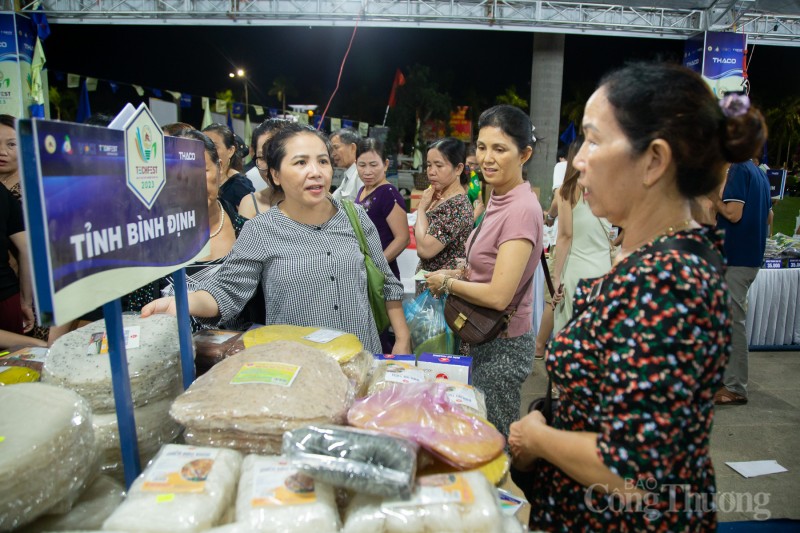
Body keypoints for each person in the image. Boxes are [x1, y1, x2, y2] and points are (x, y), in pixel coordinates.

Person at [508, 62, 767, 531]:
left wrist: (538, 438)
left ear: (653, 161)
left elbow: (635, 474)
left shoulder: (671, 282)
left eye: (594, 139)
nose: (580, 159)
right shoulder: (645, 258)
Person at [142, 123, 411, 355]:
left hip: (361, 357)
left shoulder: (356, 218)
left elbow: (387, 283)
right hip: (297, 367)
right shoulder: (260, 230)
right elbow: (227, 290)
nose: (316, 171)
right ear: (275, 175)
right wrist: (182, 303)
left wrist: (401, 338)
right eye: (301, 162)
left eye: (323, 161)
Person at [426, 106, 542, 439]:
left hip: (501, 346)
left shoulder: (519, 208)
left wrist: (447, 282)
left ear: (525, 154)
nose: (486, 158)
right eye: (481, 147)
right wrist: (463, 270)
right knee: (475, 430)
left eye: (500, 149)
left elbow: (499, 294)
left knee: (492, 438)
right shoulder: (499, 196)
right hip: (481, 333)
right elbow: (491, 264)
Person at [153, 129, 261, 331]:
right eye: (175, 173)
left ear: (219, 168)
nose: (188, 183)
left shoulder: (248, 231)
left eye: (199, 169)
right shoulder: (150, 240)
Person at [710, 149, 773, 406]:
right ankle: (727, 379)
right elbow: (769, 216)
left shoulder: (738, 170)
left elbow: (733, 214)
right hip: (749, 257)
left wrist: (713, 197)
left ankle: (735, 386)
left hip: (737, 258)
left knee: (734, 323)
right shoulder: (758, 173)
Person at [550, 136, 613, 334]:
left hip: (575, 271)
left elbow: (565, 236)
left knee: (570, 333)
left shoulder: (566, 191)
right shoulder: (609, 189)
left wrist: (556, 276)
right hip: (604, 270)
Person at [414, 137, 473, 295]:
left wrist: (421, 209)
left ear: (458, 169)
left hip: (442, 293)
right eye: (428, 165)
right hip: (430, 288)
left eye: (439, 165)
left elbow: (425, 249)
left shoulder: (456, 206)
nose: (431, 171)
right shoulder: (440, 198)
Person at [354, 138, 410, 281]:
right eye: (362, 165)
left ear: (385, 165)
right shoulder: (362, 190)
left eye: (373, 165)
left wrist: (376, 266)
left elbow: (403, 238)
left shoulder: (388, 193)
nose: (367, 171)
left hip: (382, 275)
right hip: (363, 271)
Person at [238, 119, 290, 219]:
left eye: (278, 157)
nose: (272, 169)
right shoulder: (250, 204)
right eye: (263, 158)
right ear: (253, 153)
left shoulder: (318, 200)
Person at [0, 185, 33, 335]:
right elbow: (26, 248)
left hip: (5, 292)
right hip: (6, 297)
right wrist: (25, 302)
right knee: (12, 356)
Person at [202, 123, 255, 209]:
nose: (207, 152)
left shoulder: (240, 186)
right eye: (203, 146)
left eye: (213, 146)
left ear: (230, 151)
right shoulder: (197, 182)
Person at [330, 127, 363, 202]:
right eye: (332, 150)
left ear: (353, 148)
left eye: (336, 147)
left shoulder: (361, 175)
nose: (333, 154)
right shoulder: (347, 176)